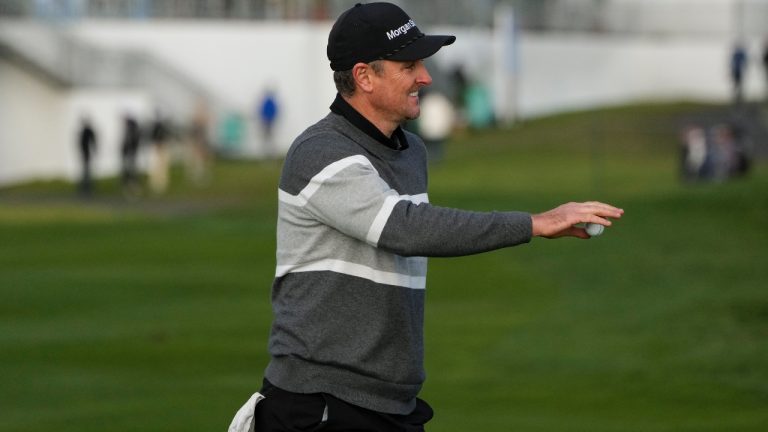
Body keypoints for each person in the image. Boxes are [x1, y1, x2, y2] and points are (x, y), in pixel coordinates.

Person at [236, 3, 624, 432]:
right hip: (321, 405)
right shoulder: (321, 151)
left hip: (392, 404)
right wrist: (533, 223)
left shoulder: (411, 151)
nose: (426, 77)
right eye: (409, 65)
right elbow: (404, 228)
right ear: (364, 76)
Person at [76, 115, 98, 197]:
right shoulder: (85, 131)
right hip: (85, 153)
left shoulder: (88, 131)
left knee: (86, 172)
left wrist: (93, 152)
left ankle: (87, 189)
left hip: (87, 154)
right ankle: (85, 188)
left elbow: (92, 143)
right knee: (85, 172)